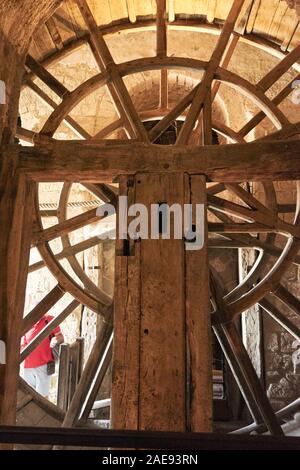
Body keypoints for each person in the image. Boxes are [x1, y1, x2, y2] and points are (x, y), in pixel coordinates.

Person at [21, 315, 64, 398]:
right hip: (27, 367)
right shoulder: (28, 324)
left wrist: (55, 340)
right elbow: (24, 344)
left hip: (43, 365)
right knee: (27, 397)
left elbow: (61, 337)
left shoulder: (48, 319)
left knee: (43, 397)